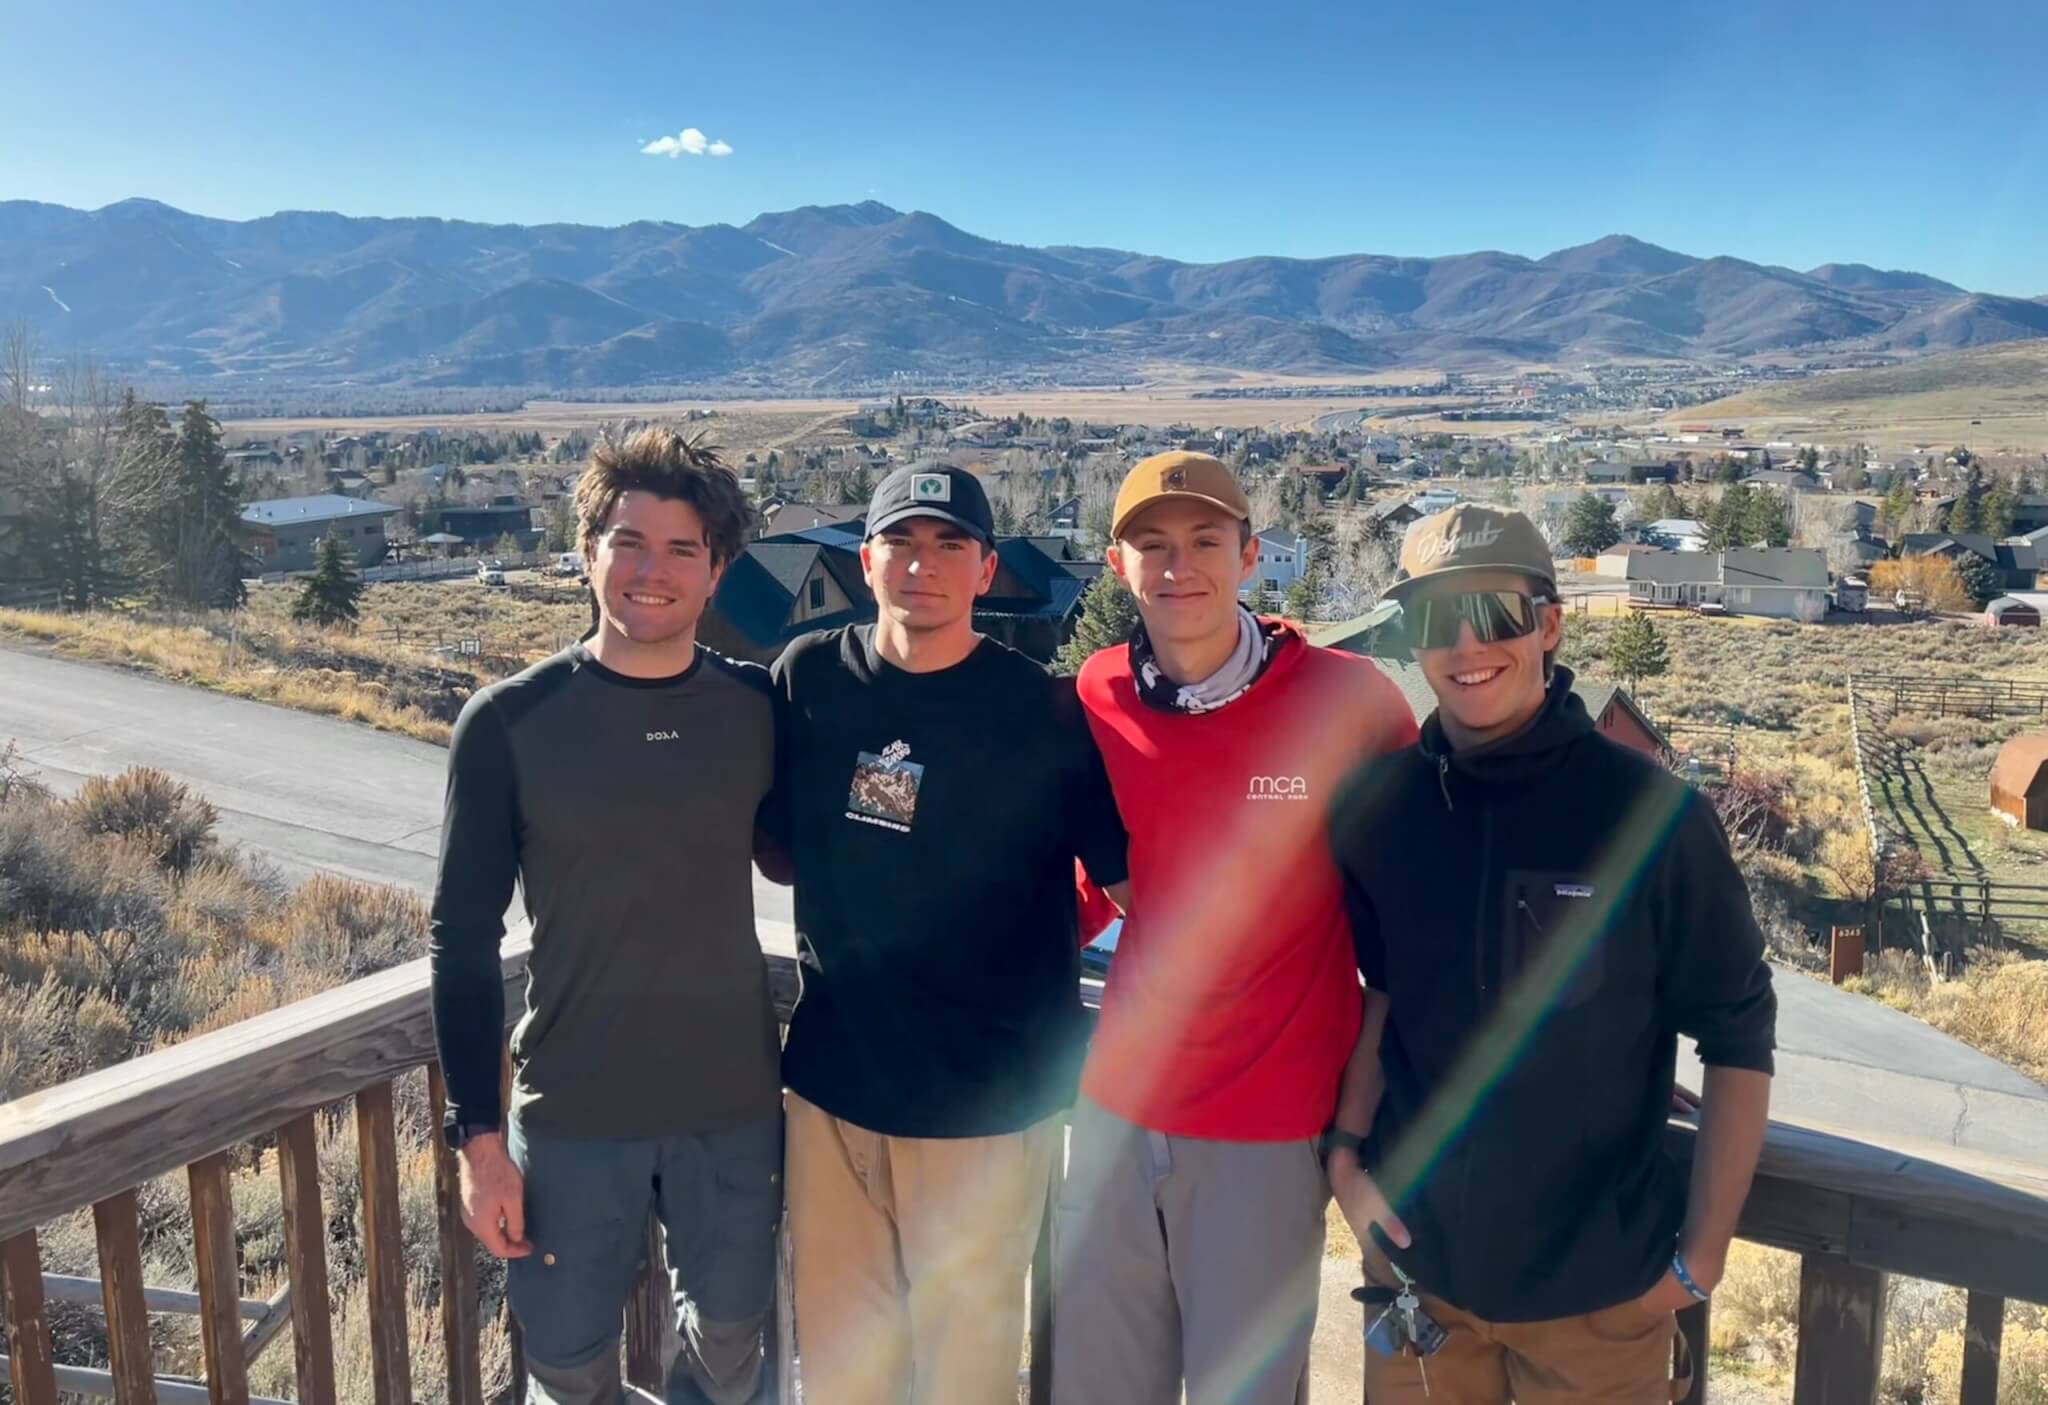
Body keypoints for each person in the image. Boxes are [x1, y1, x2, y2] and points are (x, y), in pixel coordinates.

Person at [1324, 504, 1776, 1404]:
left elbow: (1738, 1032)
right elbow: (1383, 994)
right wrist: (1343, 1160)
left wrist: (1701, 1261)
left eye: (1493, 613)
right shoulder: (1383, 809)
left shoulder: (1651, 816)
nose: (1465, 644)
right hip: (1422, 1286)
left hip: (1600, 1308)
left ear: (1551, 624)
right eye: (1433, 619)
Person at [429, 428, 785, 1405]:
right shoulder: (507, 723)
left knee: (730, 1357)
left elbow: (834, 846)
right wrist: (478, 1142)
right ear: (585, 549)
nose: (651, 571)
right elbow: (459, 938)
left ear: (716, 572)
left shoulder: (757, 708)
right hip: (573, 1112)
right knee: (567, 1369)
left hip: (732, 1109)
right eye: (628, 541)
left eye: (681, 549)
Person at [1055, 451, 1417, 1405]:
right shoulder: (1099, 693)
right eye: (1154, 546)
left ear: (1251, 555)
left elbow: (1431, 890)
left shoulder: (1351, 702)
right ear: (1114, 564)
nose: (1181, 567)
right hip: (1115, 1113)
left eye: (1206, 541)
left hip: (1268, 1124)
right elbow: (1098, 869)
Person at [771, 464, 1130, 1405]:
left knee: (965, 1375)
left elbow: (1142, 884)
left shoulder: (1045, 713)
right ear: (864, 558)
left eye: (950, 545)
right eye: (901, 540)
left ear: (985, 570)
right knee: (845, 1368)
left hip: (987, 1109)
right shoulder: (807, 677)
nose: (921, 564)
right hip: (832, 1094)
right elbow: (767, 844)